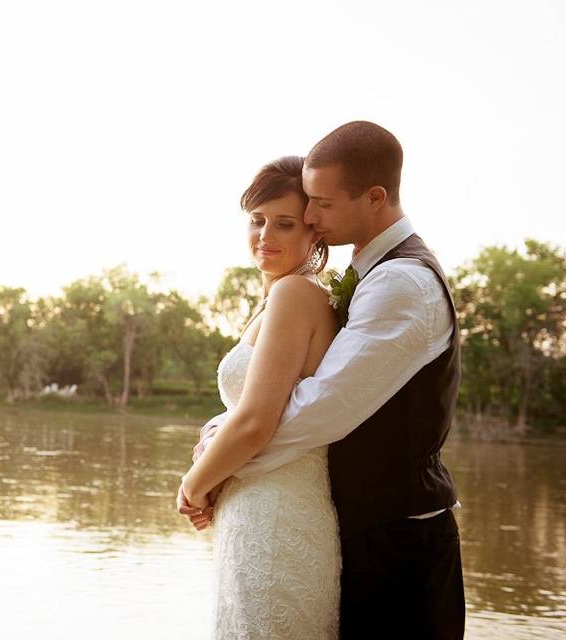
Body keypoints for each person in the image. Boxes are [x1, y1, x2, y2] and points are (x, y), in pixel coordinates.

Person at [179, 121, 465, 640]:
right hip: (343, 522)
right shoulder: (359, 276)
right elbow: (283, 399)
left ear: (375, 197)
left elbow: (316, 409)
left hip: (398, 537)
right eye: (258, 220)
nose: (311, 216)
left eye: (318, 207)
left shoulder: (400, 281)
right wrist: (220, 434)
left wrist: (205, 476)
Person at [178, 155, 342, 638]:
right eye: (257, 220)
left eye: (284, 224)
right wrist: (212, 435)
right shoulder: (275, 300)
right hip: (254, 507)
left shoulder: (296, 294)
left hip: (276, 515)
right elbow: (251, 406)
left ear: (314, 232)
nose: (265, 235)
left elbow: (256, 422)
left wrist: (192, 487)